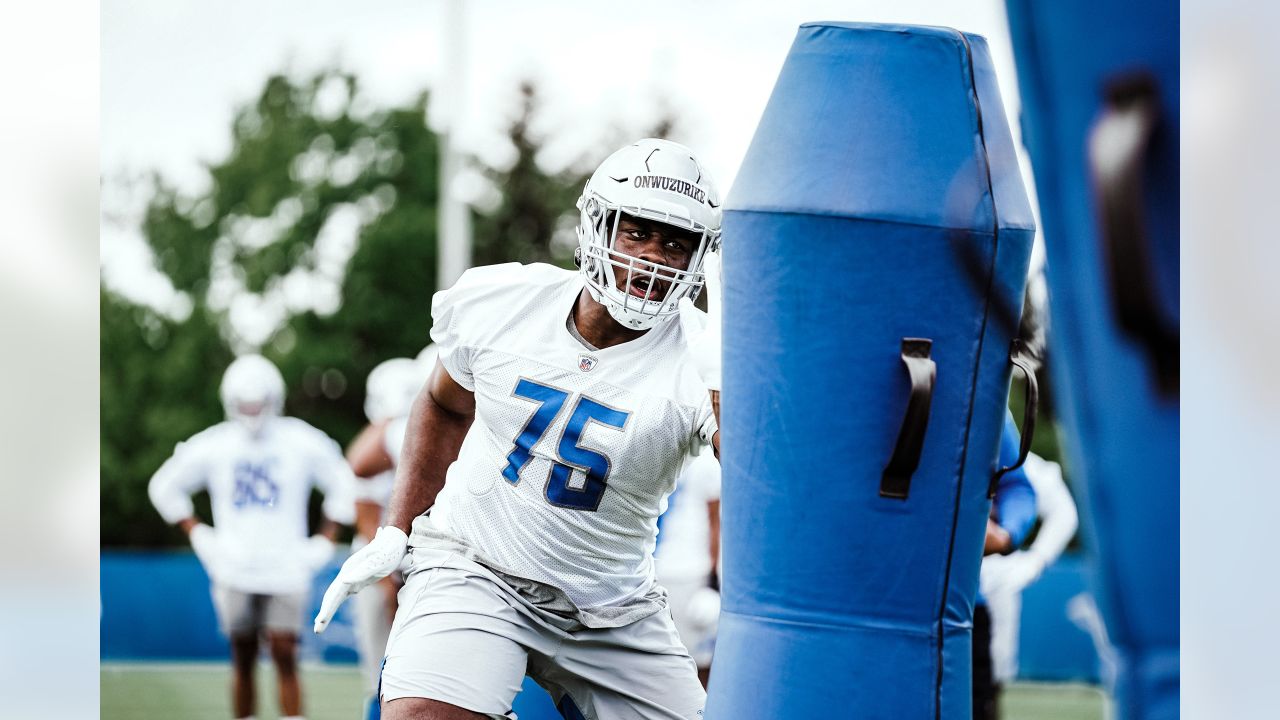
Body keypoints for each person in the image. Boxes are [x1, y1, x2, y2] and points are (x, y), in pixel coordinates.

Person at [314, 137, 724, 720]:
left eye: (675, 243)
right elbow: (443, 403)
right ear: (597, 228)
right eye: (636, 232)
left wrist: (729, 373)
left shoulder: (702, 357)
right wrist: (396, 531)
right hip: (477, 567)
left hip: (612, 608)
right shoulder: (507, 303)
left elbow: (754, 475)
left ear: (698, 259)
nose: (653, 257)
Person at [148, 354, 357, 720]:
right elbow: (164, 485)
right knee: (242, 658)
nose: (252, 411)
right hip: (234, 565)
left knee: (284, 651)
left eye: (258, 402)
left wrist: (326, 536)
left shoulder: (300, 440)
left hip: (285, 566)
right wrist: (196, 532)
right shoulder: (216, 443)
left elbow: (343, 482)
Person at [345, 353, 433, 719]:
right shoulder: (394, 435)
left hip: (418, 562)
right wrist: (386, 577)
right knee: (385, 672)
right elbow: (364, 506)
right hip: (386, 563)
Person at [980, 452, 1080, 684]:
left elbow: (1063, 511)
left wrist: (1037, 559)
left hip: (991, 580)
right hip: (936, 580)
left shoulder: (1015, 459)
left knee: (988, 672)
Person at [973, 413, 1039, 720]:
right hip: (840, 609)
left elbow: (1017, 487)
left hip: (960, 610)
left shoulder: (978, 385)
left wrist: (1004, 535)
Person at [653, 450, 721, 687]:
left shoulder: (668, 456)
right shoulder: (707, 461)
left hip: (662, 568)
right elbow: (716, 524)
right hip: (687, 571)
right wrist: (715, 580)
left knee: (675, 662)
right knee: (696, 664)